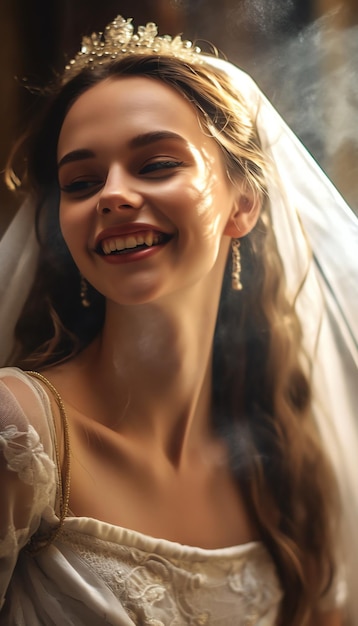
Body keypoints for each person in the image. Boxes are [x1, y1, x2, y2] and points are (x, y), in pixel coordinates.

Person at [0, 15, 357, 626]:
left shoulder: (282, 460)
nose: (112, 194)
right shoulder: (20, 432)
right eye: (81, 182)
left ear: (243, 202)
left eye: (157, 164)